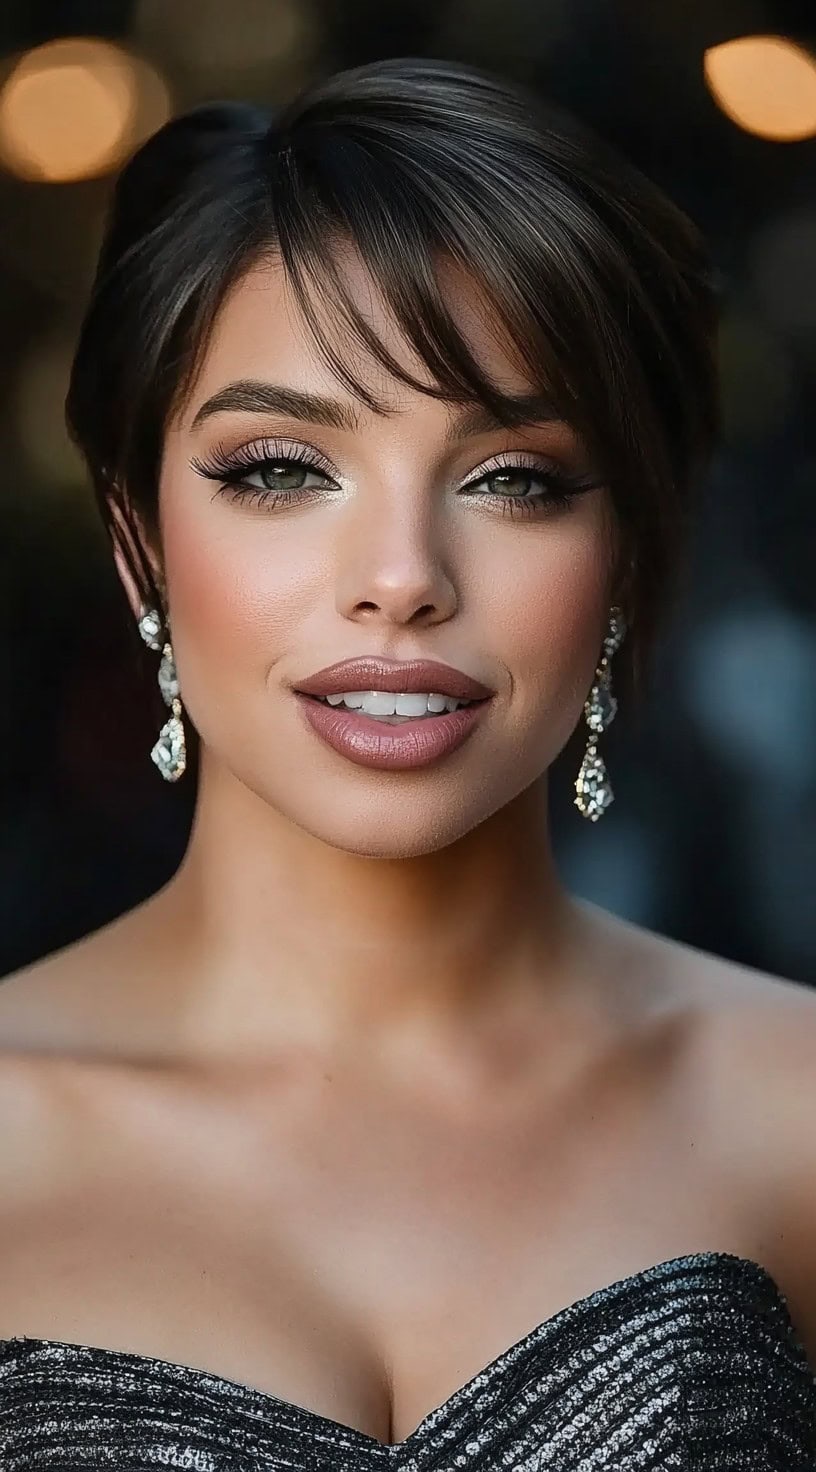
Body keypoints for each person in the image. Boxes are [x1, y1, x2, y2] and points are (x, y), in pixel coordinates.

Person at [1, 55, 815, 1469]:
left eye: (515, 478)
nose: (400, 580)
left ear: (623, 551)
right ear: (139, 539)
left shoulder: (790, 1112)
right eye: (277, 467)